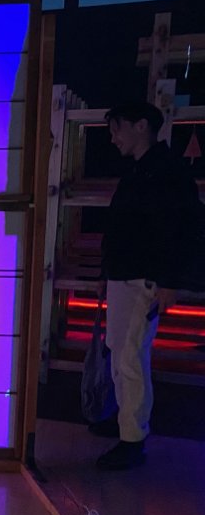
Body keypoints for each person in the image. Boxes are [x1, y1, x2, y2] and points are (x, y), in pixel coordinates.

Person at [94, 101, 199, 470]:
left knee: (131, 354)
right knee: (119, 350)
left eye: (117, 129)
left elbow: (181, 232)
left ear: (141, 126)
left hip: (146, 277)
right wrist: (106, 272)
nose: (113, 138)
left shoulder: (168, 171)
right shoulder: (142, 170)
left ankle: (132, 437)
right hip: (125, 273)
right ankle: (126, 419)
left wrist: (169, 280)